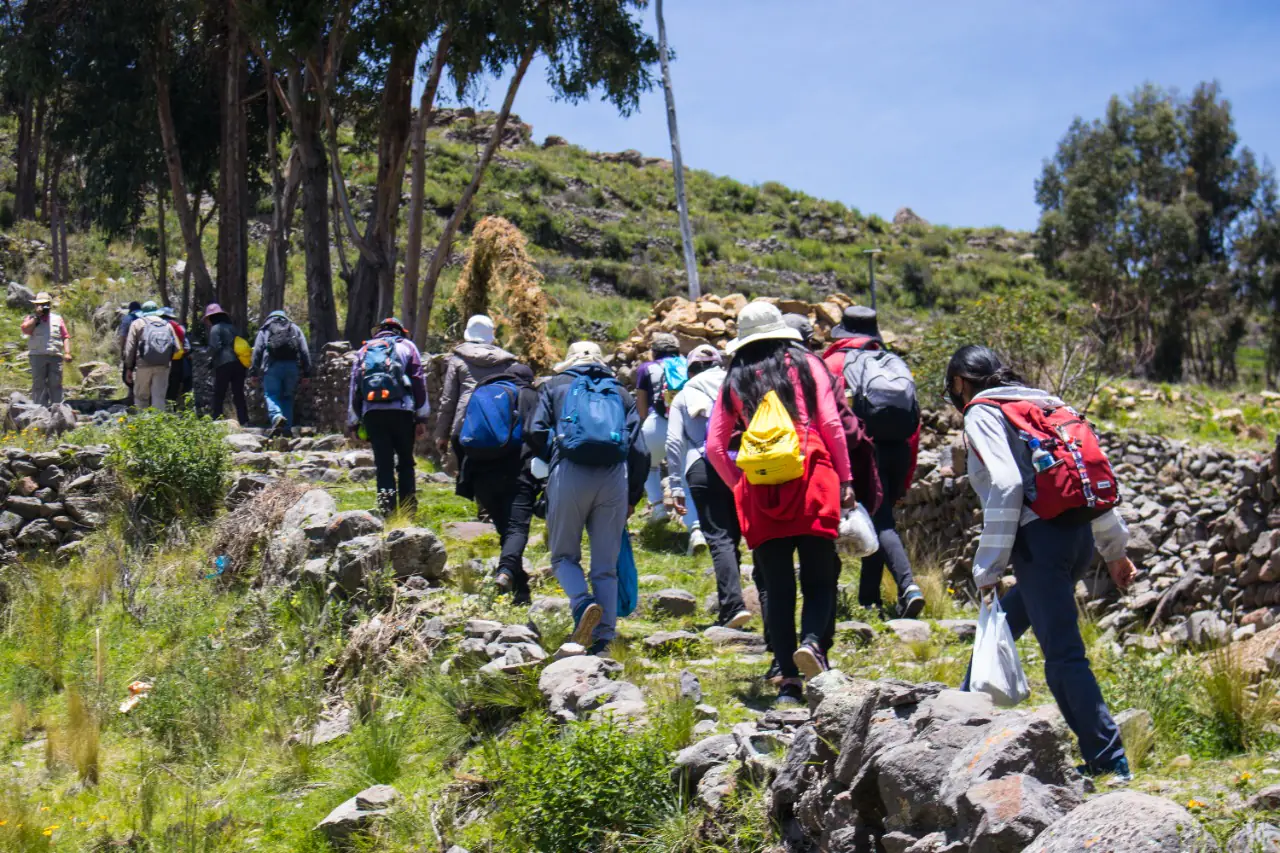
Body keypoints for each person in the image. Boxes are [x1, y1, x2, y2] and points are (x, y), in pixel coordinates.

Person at [947, 344, 1136, 781]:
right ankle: (962, 712)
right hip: (1078, 538)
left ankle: (1109, 761)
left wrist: (989, 567)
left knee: (1063, 655)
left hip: (1040, 543)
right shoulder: (1048, 404)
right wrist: (1115, 549)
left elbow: (1006, 484)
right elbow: (1087, 478)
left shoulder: (982, 411)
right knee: (1009, 617)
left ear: (959, 382)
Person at [706, 302, 854, 707]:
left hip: (761, 482)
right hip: (810, 470)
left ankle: (788, 680)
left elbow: (715, 446)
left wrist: (740, 484)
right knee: (820, 577)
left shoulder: (735, 376)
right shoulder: (808, 364)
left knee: (777, 585)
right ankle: (813, 644)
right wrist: (845, 478)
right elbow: (831, 423)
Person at [528, 341, 647, 654]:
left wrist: (556, 453)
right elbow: (639, 450)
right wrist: (633, 496)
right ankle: (603, 639)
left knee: (563, 556)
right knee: (606, 567)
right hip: (614, 477)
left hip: (569, 473)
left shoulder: (555, 386)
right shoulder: (620, 392)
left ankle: (583, 604)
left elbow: (534, 431)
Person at [822, 306, 924, 618]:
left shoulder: (834, 363)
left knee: (877, 523)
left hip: (860, 451)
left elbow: (828, 418)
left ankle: (908, 586)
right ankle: (869, 598)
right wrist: (906, 475)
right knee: (879, 519)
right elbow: (915, 425)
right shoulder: (893, 364)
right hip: (897, 450)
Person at [665, 344, 751, 629]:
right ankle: (761, 604)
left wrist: (675, 485)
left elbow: (674, 442)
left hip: (703, 466)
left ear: (690, 371)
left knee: (719, 537)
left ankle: (733, 606)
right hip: (743, 464)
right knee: (740, 535)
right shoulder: (740, 386)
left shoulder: (684, 394)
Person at [456, 362, 540, 604]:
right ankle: (505, 572)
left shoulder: (482, 394)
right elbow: (538, 434)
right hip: (517, 472)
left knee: (506, 530)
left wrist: (464, 469)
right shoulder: (529, 395)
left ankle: (520, 592)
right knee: (517, 528)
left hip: (480, 473)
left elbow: (457, 435)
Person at [347, 318, 429, 515]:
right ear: (400, 331)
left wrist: (354, 422)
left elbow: (354, 388)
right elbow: (418, 381)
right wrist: (422, 417)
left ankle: (387, 511)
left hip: (373, 413)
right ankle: (408, 510)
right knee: (406, 462)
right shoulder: (408, 347)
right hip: (403, 412)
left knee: (383, 464)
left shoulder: (364, 350)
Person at [635, 334, 705, 550]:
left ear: (654, 351)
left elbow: (641, 408)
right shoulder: (689, 365)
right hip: (685, 427)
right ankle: (696, 530)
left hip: (657, 425)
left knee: (647, 465)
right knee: (684, 477)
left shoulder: (647, 368)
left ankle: (658, 508)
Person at [435, 315, 516, 467]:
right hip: (498, 424)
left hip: (464, 422)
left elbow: (448, 400)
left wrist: (441, 434)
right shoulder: (507, 362)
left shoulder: (458, 360)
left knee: (464, 470)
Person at [251, 309, 312, 437]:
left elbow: (257, 350)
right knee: (287, 397)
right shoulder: (294, 328)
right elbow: (304, 350)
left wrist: (254, 372)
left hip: (272, 366)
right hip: (292, 367)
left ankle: (277, 416)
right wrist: (307, 373)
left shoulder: (266, 329)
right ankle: (286, 429)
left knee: (271, 394)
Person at [123, 301, 178, 411]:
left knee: (141, 397)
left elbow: (130, 347)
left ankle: (142, 420)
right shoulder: (167, 324)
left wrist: (129, 368)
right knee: (159, 398)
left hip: (143, 365)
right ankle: (158, 420)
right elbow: (177, 348)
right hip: (163, 366)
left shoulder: (137, 323)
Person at [20, 291, 71, 407]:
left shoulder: (57, 319)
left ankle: (58, 409)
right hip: (37, 356)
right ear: (35, 305)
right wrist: (36, 317)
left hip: (55, 356)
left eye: (45, 304)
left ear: (50, 304)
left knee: (56, 383)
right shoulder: (31, 318)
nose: (43, 307)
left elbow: (65, 336)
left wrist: (67, 352)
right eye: (40, 304)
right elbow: (25, 330)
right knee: (39, 384)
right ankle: (39, 409)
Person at [203, 303, 249, 424]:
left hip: (223, 363)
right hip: (239, 363)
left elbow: (215, 347)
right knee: (238, 393)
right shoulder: (232, 327)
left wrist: (210, 361)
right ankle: (244, 420)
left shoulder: (215, 328)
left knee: (219, 393)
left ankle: (217, 419)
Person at [161, 306, 191, 406]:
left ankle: (161, 407)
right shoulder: (179, 327)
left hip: (161, 359)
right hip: (177, 360)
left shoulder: (158, 325)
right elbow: (187, 347)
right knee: (174, 385)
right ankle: (173, 406)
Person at [118, 300, 142, 406]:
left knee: (127, 375)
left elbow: (123, 336)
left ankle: (134, 397)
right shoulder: (145, 318)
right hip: (144, 352)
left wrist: (122, 350)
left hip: (131, 350)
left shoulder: (127, 318)